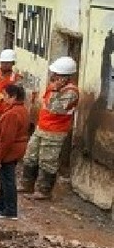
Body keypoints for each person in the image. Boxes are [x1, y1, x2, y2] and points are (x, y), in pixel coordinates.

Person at [20, 56, 79, 200]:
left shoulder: (71, 92)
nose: (53, 76)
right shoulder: (54, 87)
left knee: (48, 161)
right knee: (30, 156)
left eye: (56, 74)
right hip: (42, 127)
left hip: (55, 132)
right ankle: (27, 184)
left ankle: (44, 191)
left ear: (65, 76)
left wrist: (56, 91)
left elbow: (55, 108)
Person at [0, 84, 29, 220]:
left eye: (5, 95)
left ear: (13, 96)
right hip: (12, 151)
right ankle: (0, 204)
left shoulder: (13, 114)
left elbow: (6, 139)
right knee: (4, 179)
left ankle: (10, 210)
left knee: (8, 181)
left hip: (9, 152)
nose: (3, 98)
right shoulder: (20, 110)